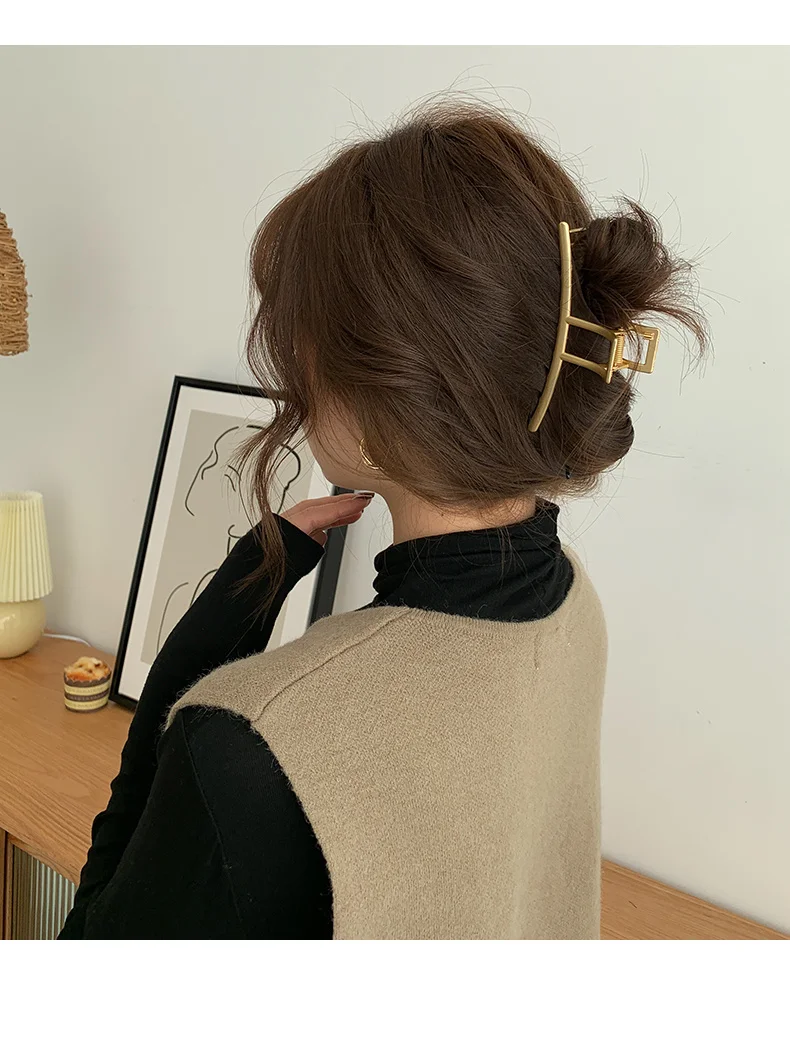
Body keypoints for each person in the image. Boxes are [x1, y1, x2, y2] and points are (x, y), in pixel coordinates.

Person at [59, 100, 705, 940]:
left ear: (377, 393)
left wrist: (208, 645)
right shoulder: (573, 605)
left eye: (306, 344)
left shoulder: (254, 741)